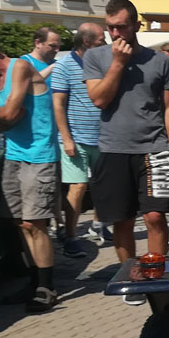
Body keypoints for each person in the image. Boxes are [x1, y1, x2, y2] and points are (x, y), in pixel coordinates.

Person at [83, 0, 169, 301]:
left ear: (136, 25)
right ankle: (130, 274)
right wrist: (117, 64)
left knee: (154, 216)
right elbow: (99, 100)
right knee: (122, 219)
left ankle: (155, 276)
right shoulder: (95, 57)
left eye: (122, 26)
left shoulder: (159, 60)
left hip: (154, 147)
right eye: (110, 27)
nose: (115, 33)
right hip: (113, 149)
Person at [0, 26, 59, 311]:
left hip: (38, 156)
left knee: (35, 223)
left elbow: (7, 114)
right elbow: (2, 119)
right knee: (20, 222)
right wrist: (3, 116)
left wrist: (2, 115)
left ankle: (46, 287)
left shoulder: (19, 67)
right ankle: (33, 282)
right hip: (14, 155)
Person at [50, 22, 106, 258]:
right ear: (87, 41)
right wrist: (66, 138)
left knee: (102, 185)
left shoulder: (103, 63)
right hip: (76, 137)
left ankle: (98, 224)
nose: (106, 43)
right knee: (78, 186)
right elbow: (58, 104)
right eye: (101, 39)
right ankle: (71, 236)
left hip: (103, 137)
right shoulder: (64, 66)